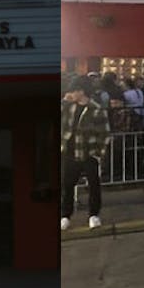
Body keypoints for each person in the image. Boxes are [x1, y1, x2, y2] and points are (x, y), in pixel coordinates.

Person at [60, 76, 112, 231]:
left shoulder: (96, 109)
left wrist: (98, 153)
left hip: (89, 152)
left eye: (73, 91)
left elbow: (104, 133)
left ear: (81, 91)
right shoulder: (68, 106)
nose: (71, 94)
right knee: (67, 185)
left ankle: (93, 215)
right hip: (69, 151)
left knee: (93, 185)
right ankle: (65, 215)